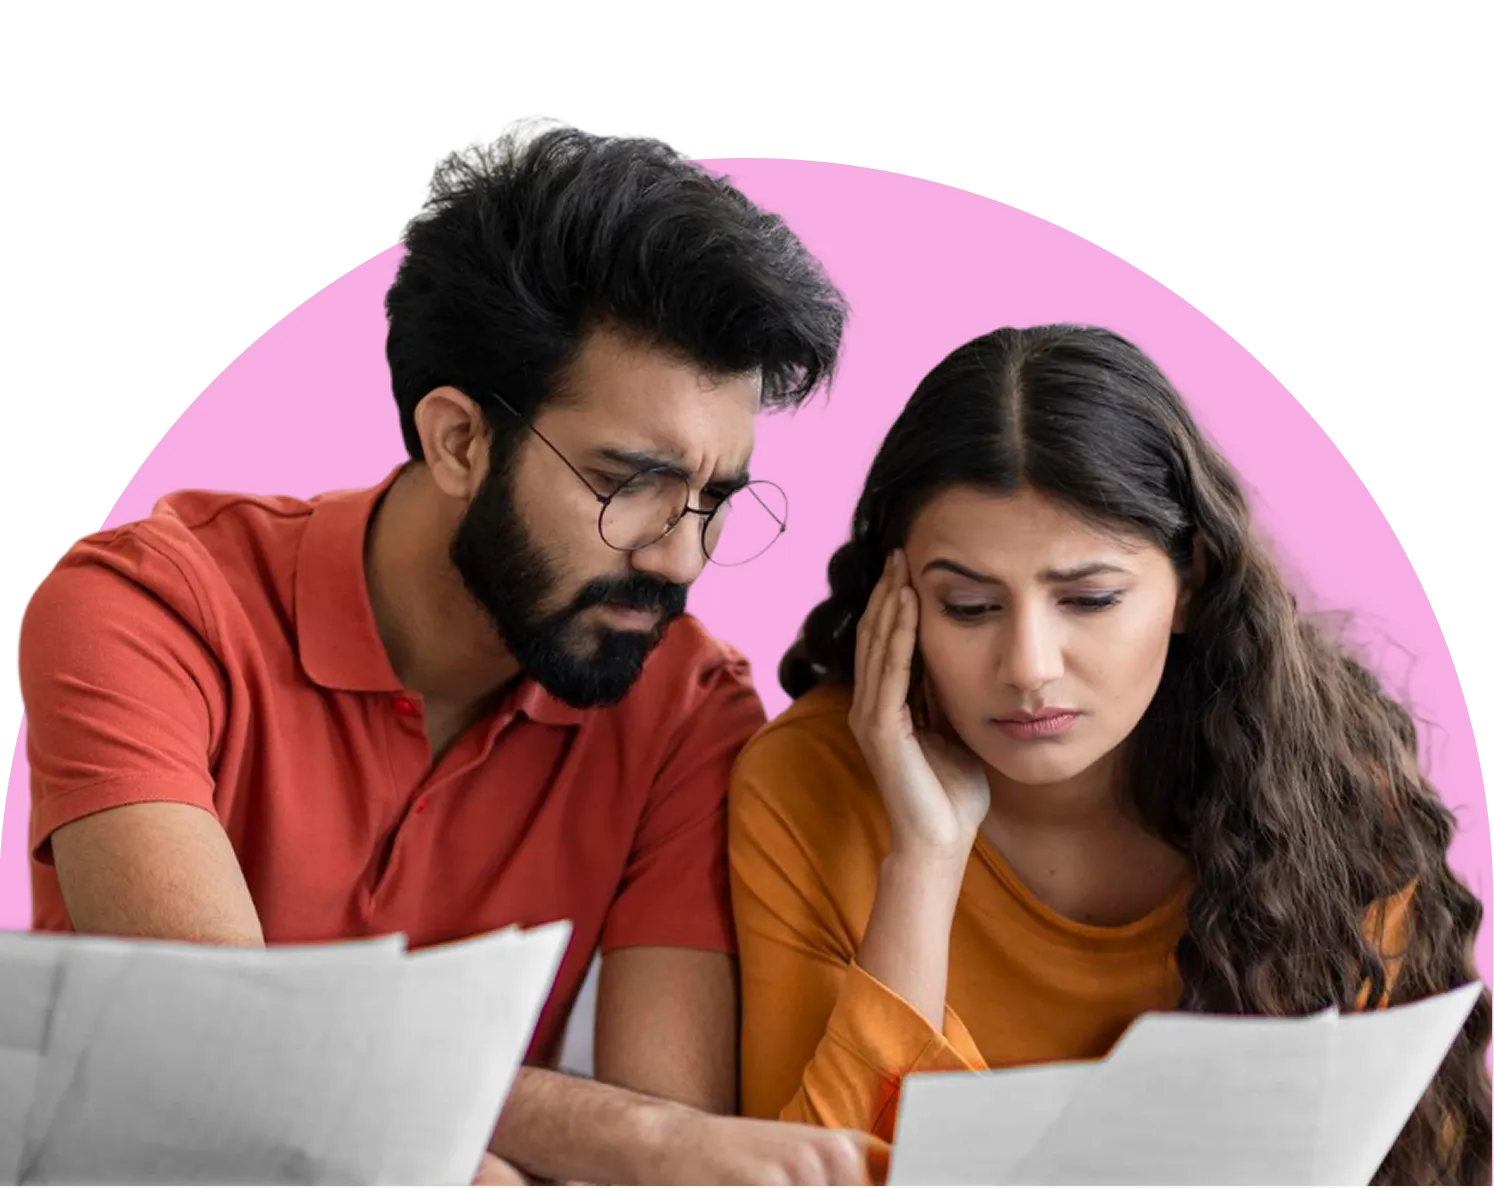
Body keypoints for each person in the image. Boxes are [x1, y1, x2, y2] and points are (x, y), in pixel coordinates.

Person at [17, 116, 881, 1187]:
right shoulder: (144, 608)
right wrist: (625, 1140)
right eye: (628, 485)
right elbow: (220, 1056)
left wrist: (641, 1142)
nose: (679, 556)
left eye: (712, 499)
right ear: (460, 440)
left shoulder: (689, 706)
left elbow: (680, 1140)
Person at [728, 324, 1491, 1185]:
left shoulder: (1332, 785)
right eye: (970, 607)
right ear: (898, 597)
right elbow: (796, 1174)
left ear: (1190, 584)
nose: (1027, 668)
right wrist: (925, 863)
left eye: (1089, 599)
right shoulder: (804, 786)